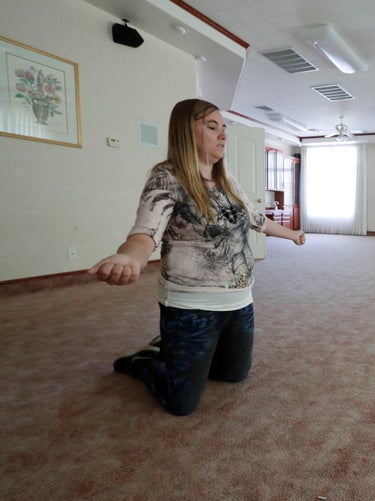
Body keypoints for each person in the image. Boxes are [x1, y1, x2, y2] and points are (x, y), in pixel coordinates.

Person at [88, 98, 305, 416]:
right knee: (180, 403)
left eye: (224, 129)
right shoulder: (168, 178)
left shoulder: (227, 181)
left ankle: (171, 346)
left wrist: (292, 235)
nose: (223, 135)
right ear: (185, 133)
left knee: (233, 376)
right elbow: (145, 233)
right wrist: (130, 258)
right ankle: (144, 362)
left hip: (239, 303)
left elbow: (257, 219)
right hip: (190, 304)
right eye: (212, 127)